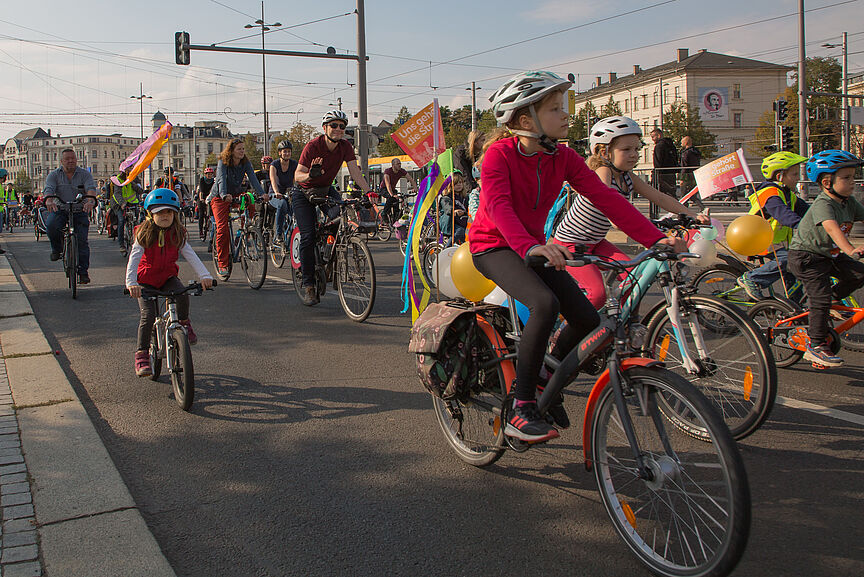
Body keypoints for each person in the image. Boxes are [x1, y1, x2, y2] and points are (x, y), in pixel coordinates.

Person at [469, 71, 683, 443]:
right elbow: (499, 207)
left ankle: (544, 378)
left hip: (534, 247)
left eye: (563, 106)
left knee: (587, 319)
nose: (566, 114)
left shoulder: (563, 157)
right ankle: (520, 406)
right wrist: (529, 247)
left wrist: (657, 239)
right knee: (544, 304)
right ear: (525, 121)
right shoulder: (499, 155)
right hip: (493, 246)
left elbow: (608, 200)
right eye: (555, 109)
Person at [553, 116, 709, 309]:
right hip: (570, 243)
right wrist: (648, 228)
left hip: (596, 242)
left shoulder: (628, 177)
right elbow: (611, 210)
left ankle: (617, 320)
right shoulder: (603, 172)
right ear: (604, 152)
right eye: (626, 150)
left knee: (634, 278)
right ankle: (573, 326)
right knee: (598, 293)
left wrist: (690, 214)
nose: (634, 155)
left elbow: (659, 197)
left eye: (636, 149)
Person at [788, 149, 864, 368]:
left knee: (859, 274)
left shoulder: (848, 202)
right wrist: (850, 249)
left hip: (830, 255)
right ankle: (816, 346)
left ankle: (832, 300)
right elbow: (832, 228)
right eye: (846, 178)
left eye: (853, 177)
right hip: (807, 257)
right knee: (820, 298)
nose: (853, 182)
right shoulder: (824, 203)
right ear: (827, 183)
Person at [125, 189, 213, 377]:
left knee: (182, 292)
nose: (165, 216)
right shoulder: (144, 233)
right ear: (150, 214)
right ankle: (141, 354)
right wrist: (131, 283)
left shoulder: (177, 233)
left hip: (167, 277)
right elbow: (134, 258)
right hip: (146, 280)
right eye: (160, 212)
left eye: (169, 212)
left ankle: (184, 323)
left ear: (175, 214)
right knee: (148, 316)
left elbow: (190, 255)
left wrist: (205, 275)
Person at [293, 109, 373, 306]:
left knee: (340, 217)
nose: (338, 129)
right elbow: (297, 175)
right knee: (308, 236)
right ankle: (309, 284)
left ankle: (327, 252)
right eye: (334, 125)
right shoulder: (313, 146)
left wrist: (369, 192)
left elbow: (354, 171)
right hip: (303, 193)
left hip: (326, 189)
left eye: (342, 126)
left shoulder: (345, 146)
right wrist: (310, 175)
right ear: (325, 128)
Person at [736, 151, 809, 300]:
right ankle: (751, 278)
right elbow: (784, 215)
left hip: (777, 243)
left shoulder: (789, 195)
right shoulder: (770, 194)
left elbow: (808, 212)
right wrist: (803, 226)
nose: (798, 178)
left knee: (795, 269)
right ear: (780, 176)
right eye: (794, 174)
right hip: (759, 239)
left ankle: (794, 306)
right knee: (789, 259)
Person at [207, 139, 268, 277]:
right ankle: (223, 264)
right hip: (220, 197)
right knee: (222, 230)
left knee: (250, 201)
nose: (242, 151)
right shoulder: (223, 162)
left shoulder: (245, 163)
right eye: (239, 149)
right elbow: (221, 179)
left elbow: (253, 179)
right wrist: (224, 195)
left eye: (243, 149)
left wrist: (262, 193)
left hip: (235, 194)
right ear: (231, 151)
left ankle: (244, 231)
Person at [43, 149, 98, 284]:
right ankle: (57, 249)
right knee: (51, 226)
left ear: (76, 160)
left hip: (79, 210)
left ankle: (83, 272)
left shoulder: (84, 174)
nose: (70, 161)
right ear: (61, 161)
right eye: (67, 159)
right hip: (60, 209)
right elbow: (49, 189)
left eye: (73, 158)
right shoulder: (54, 175)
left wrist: (90, 200)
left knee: (82, 241)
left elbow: (90, 188)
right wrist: (49, 200)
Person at [107, 171, 144, 256]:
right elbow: (117, 194)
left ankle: (137, 240)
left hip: (132, 203)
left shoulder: (134, 178)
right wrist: (122, 203)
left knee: (136, 220)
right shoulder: (117, 180)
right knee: (121, 221)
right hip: (119, 204)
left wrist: (132, 183)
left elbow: (140, 191)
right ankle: (121, 245)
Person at [268, 140, 297, 245]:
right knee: (282, 204)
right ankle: (278, 234)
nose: (287, 153)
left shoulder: (294, 164)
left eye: (289, 151)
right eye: (285, 151)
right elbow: (273, 180)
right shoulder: (274, 165)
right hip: (275, 195)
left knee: (297, 208)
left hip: (289, 194)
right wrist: (277, 192)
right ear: (280, 153)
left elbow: (296, 180)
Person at [380, 157, 416, 224]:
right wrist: (392, 195)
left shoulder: (401, 171)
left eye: (400, 163)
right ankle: (384, 213)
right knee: (391, 198)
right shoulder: (387, 171)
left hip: (393, 190)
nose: (399, 165)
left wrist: (416, 189)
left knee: (397, 206)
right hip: (384, 189)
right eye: (397, 164)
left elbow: (411, 179)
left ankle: (395, 220)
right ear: (393, 165)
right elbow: (388, 184)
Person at [439, 169, 469, 244]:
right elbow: (447, 208)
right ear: (450, 185)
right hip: (450, 223)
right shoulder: (446, 198)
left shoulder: (466, 197)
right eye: (455, 183)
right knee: (460, 231)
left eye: (460, 182)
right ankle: (448, 247)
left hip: (463, 221)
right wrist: (454, 211)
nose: (459, 185)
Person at [650, 127, 678, 198]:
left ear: (659, 135)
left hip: (661, 175)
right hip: (671, 173)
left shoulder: (659, 146)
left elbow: (658, 161)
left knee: (657, 196)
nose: (652, 139)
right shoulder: (672, 145)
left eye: (653, 137)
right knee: (671, 194)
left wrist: (656, 172)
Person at [679, 135, 704, 209]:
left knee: (684, 195)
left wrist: (682, 178)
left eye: (682, 142)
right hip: (694, 175)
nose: (681, 144)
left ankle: (683, 211)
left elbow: (684, 166)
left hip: (687, 176)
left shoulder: (685, 153)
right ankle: (702, 208)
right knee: (692, 195)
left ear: (686, 142)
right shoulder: (696, 152)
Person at [196, 167, 215, 241]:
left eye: (211, 174)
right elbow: (201, 191)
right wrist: (201, 199)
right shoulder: (202, 180)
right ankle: (201, 231)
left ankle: (207, 224)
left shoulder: (213, 181)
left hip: (209, 197)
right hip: (202, 197)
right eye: (208, 174)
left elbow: (213, 190)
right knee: (201, 214)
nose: (209, 176)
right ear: (205, 174)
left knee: (210, 213)